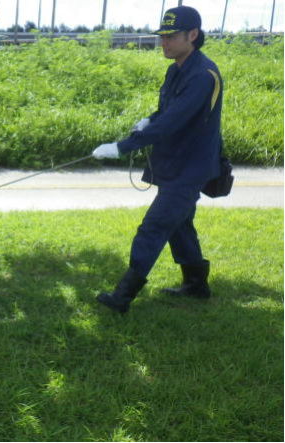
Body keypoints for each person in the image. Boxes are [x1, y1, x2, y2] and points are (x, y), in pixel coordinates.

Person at [91, 5, 223, 313]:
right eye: (162, 36)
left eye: (172, 36)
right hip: (175, 162)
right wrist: (149, 119)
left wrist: (122, 146)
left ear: (193, 35)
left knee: (154, 226)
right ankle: (196, 285)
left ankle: (122, 296)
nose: (164, 42)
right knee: (179, 224)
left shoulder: (204, 75)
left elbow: (174, 122)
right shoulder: (176, 69)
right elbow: (166, 113)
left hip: (190, 167)